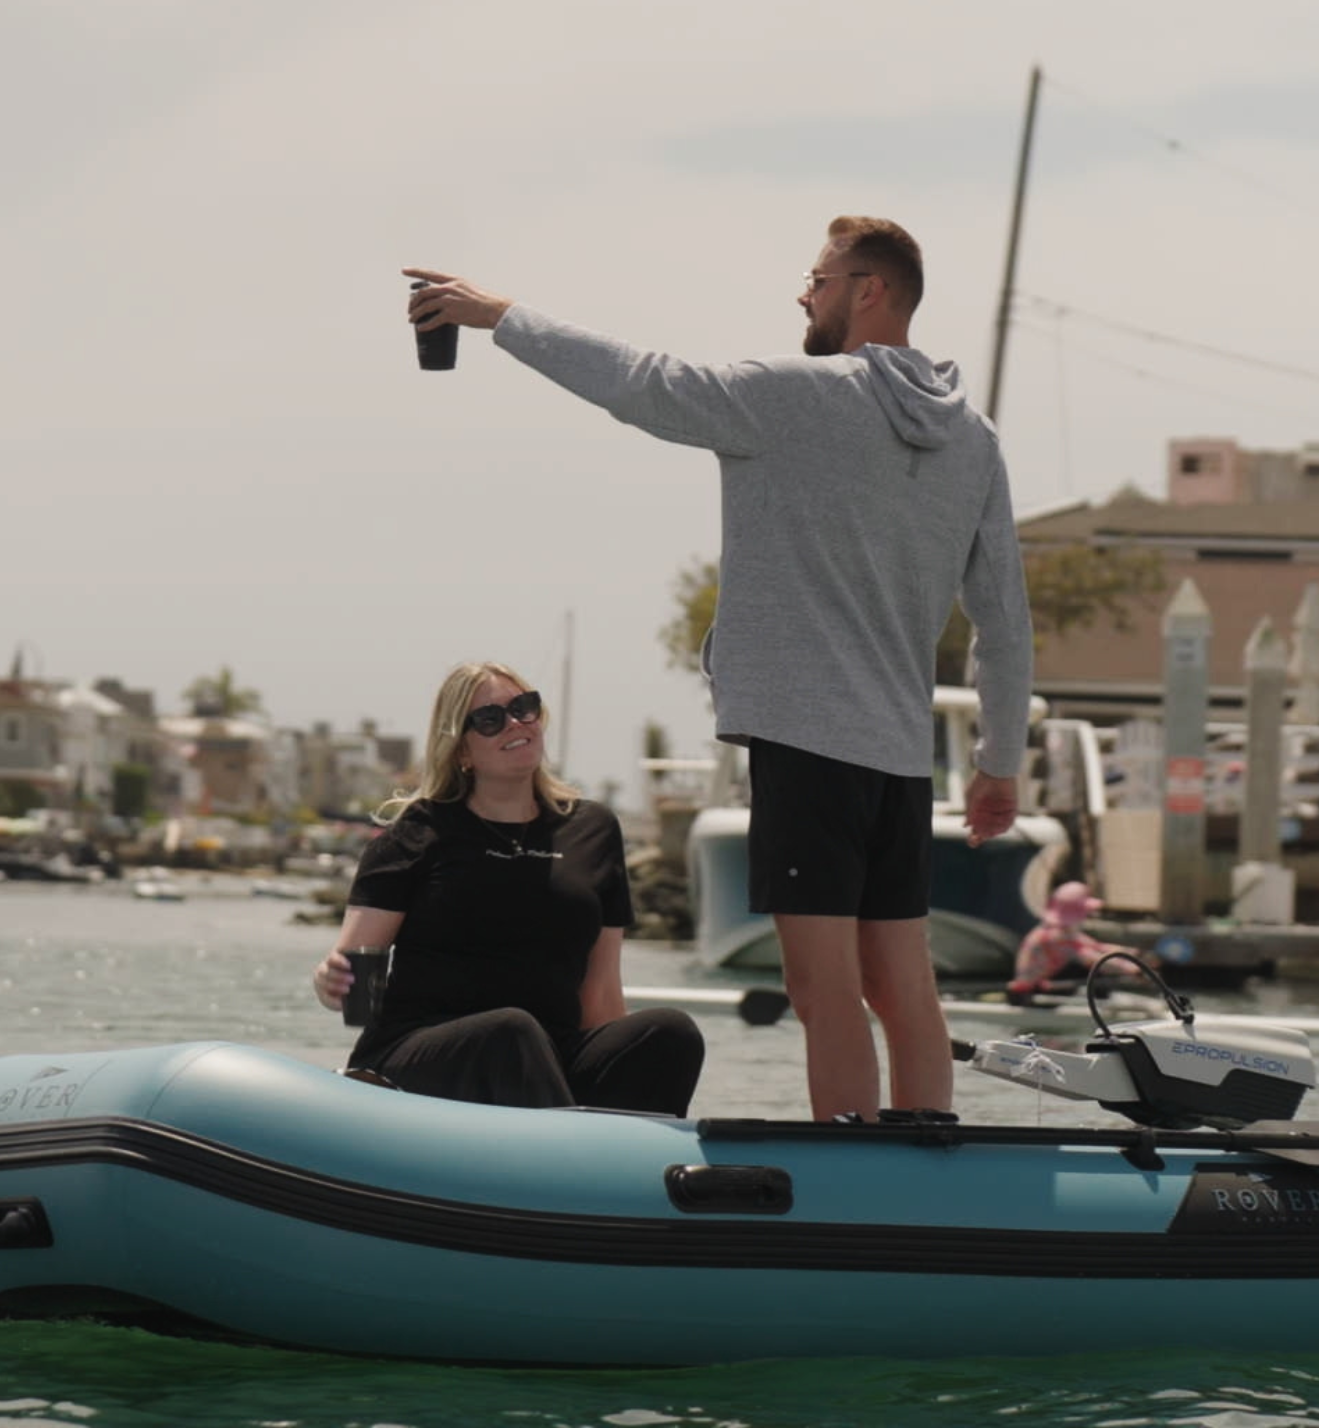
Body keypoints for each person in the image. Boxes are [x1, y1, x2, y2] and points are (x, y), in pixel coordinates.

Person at [402, 215, 1034, 1122]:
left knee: (823, 993)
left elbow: (643, 384)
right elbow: (1004, 618)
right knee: (904, 985)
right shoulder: (974, 439)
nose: (803, 296)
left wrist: (497, 315)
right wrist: (998, 762)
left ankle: (853, 1173)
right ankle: (926, 1153)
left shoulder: (794, 396)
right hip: (900, 759)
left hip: (807, 743)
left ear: (869, 291)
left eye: (817, 280)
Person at [312, 660, 704, 1116]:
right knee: (511, 1032)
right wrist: (328, 981)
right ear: (461, 750)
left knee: (670, 1032)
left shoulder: (592, 829)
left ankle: (626, 1167)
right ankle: (568, 1159)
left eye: (524, 707)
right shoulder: (418, 832)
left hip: (547, 1056)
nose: (516, 723)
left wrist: (613, 1061)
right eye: (490, 719)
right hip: (418, 1055)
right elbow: (348, 977)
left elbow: (601, 991)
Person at [1006, 881, 1148, 1003]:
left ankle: (1101, 1001)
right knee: (1091, 971)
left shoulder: (1058, 930)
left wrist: (1136, 953)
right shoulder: (1056, 937)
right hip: (1030, 995)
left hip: (1045, 986)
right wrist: (1133, 970)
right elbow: (1092, 959)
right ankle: (1101, 1006)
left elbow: (1097, 946)